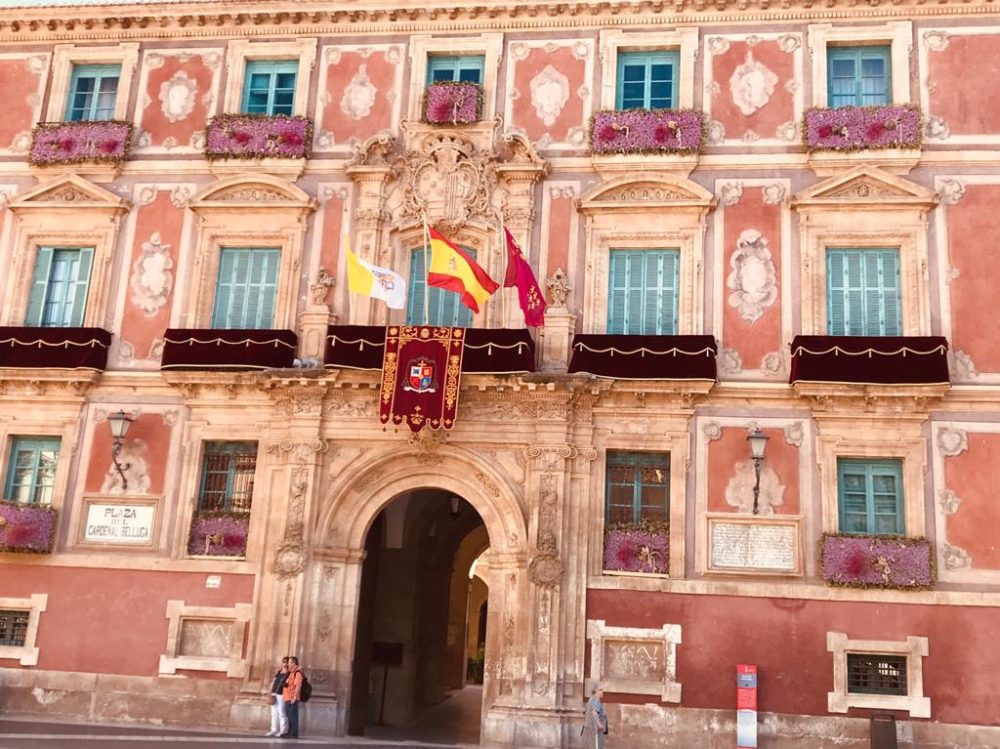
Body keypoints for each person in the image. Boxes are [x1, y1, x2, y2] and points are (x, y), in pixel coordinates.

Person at [280, 656, 304, 739]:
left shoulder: (298, 673)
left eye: (290, 662)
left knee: (293, 716)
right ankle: (289, 732)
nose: (288, 664)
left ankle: (294, 733)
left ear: (294, 663)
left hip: (292, 698)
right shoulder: (291, 672)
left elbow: (298, 686)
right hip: (287, 697)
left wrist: (294, 697)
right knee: (289, 716)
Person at [266, 656, 289, 737]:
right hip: (274, 693)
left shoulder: (289, 674)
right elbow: (273, 682)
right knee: (274, 713)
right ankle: (274, 730)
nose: (284, 664)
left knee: (281, 712)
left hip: (282, 694)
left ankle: (283, 730)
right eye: (283, 662)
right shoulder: (278, 672)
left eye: (286, 662)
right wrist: (270, 691)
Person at [581, 684, 608, 749]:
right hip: (595, 729)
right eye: (601, 690)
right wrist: (599, 724)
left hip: (590, 728)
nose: (603, 692)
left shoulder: (592, 699)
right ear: (596, 691)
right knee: (596, 746)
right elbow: (594, 712)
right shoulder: (596, 699)